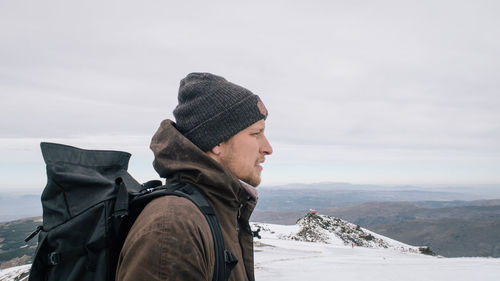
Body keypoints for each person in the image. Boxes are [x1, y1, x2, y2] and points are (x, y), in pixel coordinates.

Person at [115, 72, 273, 281]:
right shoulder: (173, 227)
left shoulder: (218, 210)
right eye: (256, 133)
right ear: (217, 142)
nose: (268, 148)